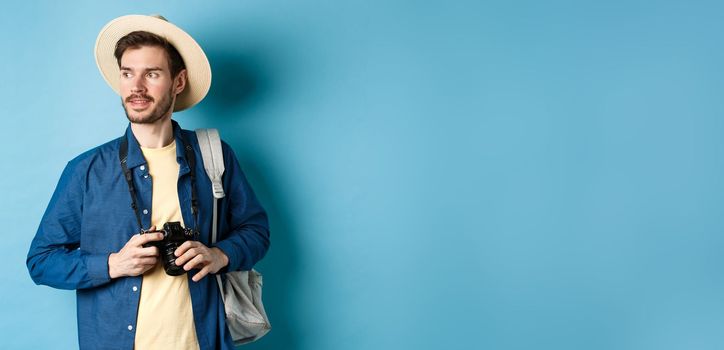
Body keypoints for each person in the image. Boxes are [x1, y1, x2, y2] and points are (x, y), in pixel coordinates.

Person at [26, 14, 270, 350]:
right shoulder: (86, 170)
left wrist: (220, 255)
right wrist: (112, 264)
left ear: (178, 81)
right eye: (128, 73)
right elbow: (40, 261)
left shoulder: (215, 155)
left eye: (151, 74)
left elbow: (256, 231)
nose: (136, 87)